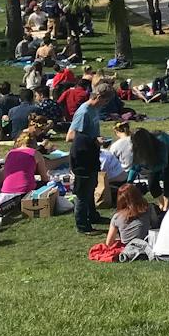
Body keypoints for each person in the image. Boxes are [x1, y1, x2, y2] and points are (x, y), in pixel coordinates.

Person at [66, 81, 114, 235]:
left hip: (92, 154)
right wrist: (94, 141)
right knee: (82, 192)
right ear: (98, 96)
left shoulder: (95, 110)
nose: (105, 105)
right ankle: (82, 225)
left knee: (91, 186)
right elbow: (72, 136)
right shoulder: (84, 112)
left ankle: (93, 216)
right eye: (105, 101)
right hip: (81, 156)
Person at [129, 128, 169, 212]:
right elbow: (135, 164)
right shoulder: (136, 145)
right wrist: (129, 181)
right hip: (154, 156)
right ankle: (161, 203)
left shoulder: (161, 142)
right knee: (152, 183)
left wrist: (151, 170)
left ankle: (166, 206)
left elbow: (164, 163)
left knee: (168, 175)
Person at [0, 130, 50, 196]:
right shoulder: (35, 153)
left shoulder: (10, 153)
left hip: (6, 190)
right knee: (45, 184)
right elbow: (44, 177)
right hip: (26, 190)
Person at [105, 183, 154, 249]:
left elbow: (108, 243)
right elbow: (155, 226)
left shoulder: (117, 217)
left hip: (126, 247)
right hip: (145, 244)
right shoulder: (148, 209)